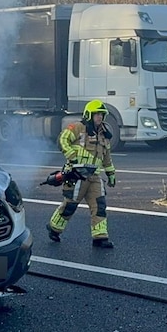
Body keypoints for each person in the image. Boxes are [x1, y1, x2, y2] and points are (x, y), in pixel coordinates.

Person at [47, 100, 117, 248]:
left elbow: (107, 158)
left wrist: (111, 174)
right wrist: (72, 155)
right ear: (89, 115)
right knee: (70, 205)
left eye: (102, 114)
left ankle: (100, 237)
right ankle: (54, 228)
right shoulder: (78, 127)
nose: (99, 117)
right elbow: (62, 139)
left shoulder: (105, 134)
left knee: (100, 206)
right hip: (76, 174)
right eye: (97, 114)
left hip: (94, 176)